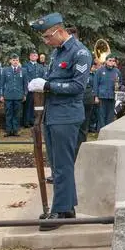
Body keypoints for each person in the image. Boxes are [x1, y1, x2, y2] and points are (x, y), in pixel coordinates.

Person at [27, 13, 92, 230]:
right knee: (56, 164)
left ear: (58, 31)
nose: (45, 41)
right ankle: (67, 208)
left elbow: (77, 87)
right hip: (52, 114)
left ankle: (59, 211)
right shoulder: (57, 53)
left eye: (47, 36)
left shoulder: (80, 53)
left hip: (67, 115)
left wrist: (47, 86)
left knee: (62, 166)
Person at [95, 55, 123, 129]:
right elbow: (96, 84)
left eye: (113, 61)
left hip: (112, 96)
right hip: (102, 96)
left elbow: (120, 82)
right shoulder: (100, 70)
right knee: (101, 115)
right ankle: (101, 130)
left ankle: (108, 130)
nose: (111, 62)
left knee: (110, 115)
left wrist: (118, 86)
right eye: (110, 60)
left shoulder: (117, 71)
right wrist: (96, 96)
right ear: (106, 61)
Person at [1, 54, 26, 136]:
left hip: (18, 96)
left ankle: (15, 130)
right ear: (10, 61)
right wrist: (1, 95)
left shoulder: (23, 70)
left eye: (17, 60)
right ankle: (8, 131)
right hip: (8, 96)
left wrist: (25, 94)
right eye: (13, 60)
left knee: (17, 114)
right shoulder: (5, 70)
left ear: (18, 61)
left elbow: (25, 84)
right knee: (8, 114)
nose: (15, 62)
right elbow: (1, 83)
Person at [22, 51, 43, 128]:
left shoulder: (40, 66)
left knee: (37, 106)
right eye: (32, 55)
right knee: (28, 106)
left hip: (38, 90)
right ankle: (26, 121)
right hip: (29, 89)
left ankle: (34, 121)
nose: (34, 57)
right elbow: (25, 77)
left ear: (37, 57)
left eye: (35, 55)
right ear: (29, 57)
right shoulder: (26, 65)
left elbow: (42, 76)